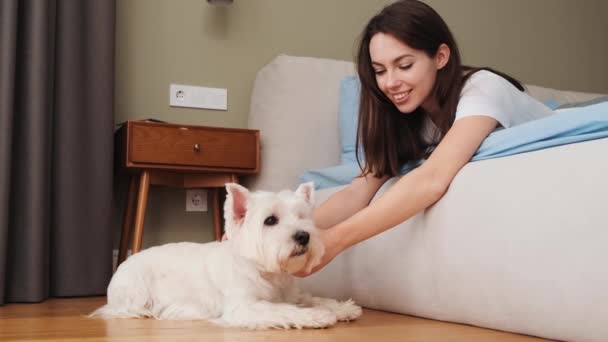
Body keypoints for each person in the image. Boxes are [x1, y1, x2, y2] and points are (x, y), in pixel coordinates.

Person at [296, 0, 553, 276]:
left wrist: (334, 241)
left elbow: (431, 180)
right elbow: (357, 191)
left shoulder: (484, 88)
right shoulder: (407, 118)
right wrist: (289, 232)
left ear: (441, 57)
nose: (390, 83)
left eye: (404, 65)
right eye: (380, 71)